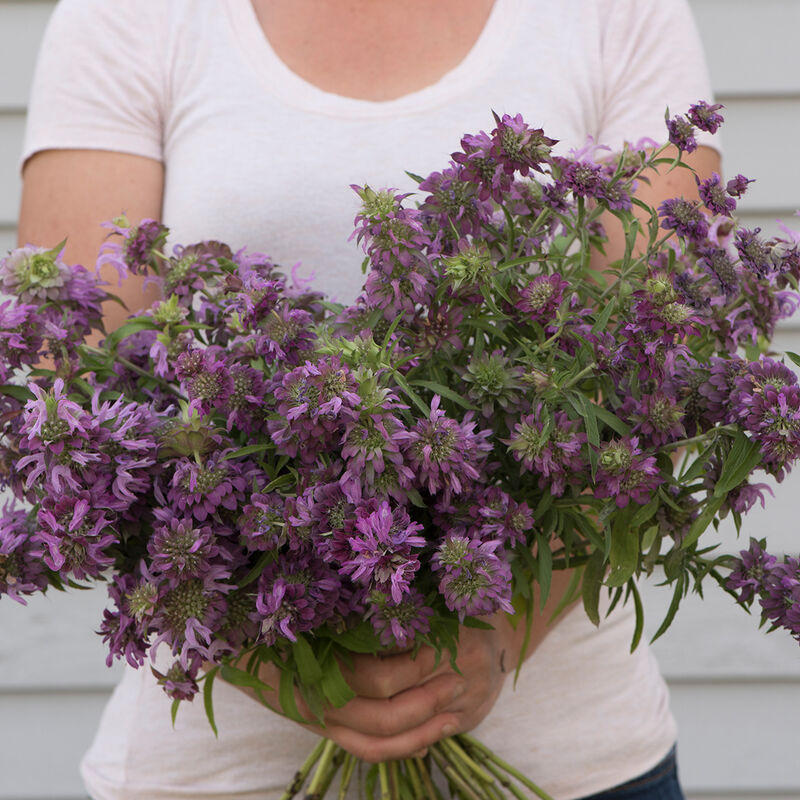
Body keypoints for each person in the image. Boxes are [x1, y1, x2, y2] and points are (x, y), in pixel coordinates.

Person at [18, 1, 721, 798]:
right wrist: (272, 660)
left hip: (570, 764)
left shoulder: (615, 12)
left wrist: (495, 636)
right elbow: (72, 401)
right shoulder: (129, 17)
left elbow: (657, 372)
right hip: (223, 777)